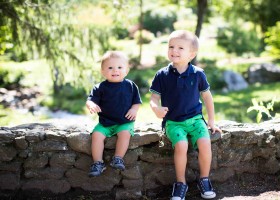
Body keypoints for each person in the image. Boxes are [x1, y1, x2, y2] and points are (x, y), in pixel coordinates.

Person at [149, 30, 222, 199]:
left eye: (180, 47)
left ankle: (204, 179)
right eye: (171, 46)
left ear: (191, 54)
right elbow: (153, 98)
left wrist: (211, 120)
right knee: (181, 145)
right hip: (173, 122)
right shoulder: (162, 75)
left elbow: (207, 97)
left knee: (205, 142)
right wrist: (156, 108)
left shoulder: (198, 74)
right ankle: (181, 183)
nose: (174, 50)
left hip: (196, 120)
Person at [86, 51, 142, 177]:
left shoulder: (131, 86)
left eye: (120, 67)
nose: (115, 70)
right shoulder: (99, 87)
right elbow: (90, 100)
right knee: (96, 135)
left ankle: (118, 158)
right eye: (110, 67)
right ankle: (98, 163)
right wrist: (91, 105)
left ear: (126, 70)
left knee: (125, 134)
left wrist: (134, 110)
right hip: (105, 122)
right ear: (102, 71)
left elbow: (136, 102)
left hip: (124, 122)